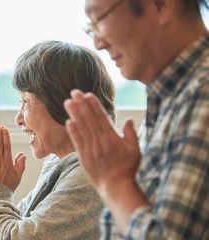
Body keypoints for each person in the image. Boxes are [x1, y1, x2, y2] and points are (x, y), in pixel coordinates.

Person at [64, 0, 209, 239]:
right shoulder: (171, 96)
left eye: (99, 20)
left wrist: (115, 181)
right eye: (91, 28)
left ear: (161, 5)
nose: (98, 43)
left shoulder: (202, 94)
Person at [0, 40, 115, 239]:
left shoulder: (89, 175)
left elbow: (18, 236)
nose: (18, 118)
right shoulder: (60, 162)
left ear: (64, 103)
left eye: (25, 101)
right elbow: (22, 221)